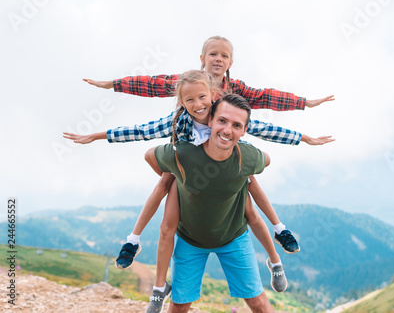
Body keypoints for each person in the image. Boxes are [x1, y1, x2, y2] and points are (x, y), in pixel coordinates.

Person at [64, 70, 334, 312]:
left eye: (203, 98)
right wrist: (103, 119)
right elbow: (143, 117)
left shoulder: (228, 113)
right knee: (165, 213)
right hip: (185, 175)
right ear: (182, 100)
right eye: (190, 100)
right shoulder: (179, 125)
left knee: (249, 195)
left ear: (213, 94)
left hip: (231, 187)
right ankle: (136, 246)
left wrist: (303, 134)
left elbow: (265, 120)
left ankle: (278, 238)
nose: (198, 105)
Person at [82, 35, 334, 261]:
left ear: (230, 63)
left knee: (249, 182)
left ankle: (280, 230)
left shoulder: (232, 96)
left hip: (223, 149)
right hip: (189, 154)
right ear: (202, 59)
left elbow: (264, 106)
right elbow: (150, 88)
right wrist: (112, 88)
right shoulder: (186, 89)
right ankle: (133, 241)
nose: (218, 59)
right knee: (164, 189)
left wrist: (304, 117)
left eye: (224, 55)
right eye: (213, 53)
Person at [155, 93, 277, 312]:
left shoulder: (248, 157)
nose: (228, 130)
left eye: (236, 125)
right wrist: (179, 179)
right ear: (210, 120)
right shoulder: (184, 154)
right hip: (190, 240)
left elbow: (266, 160)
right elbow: (150, 156)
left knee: (258, 302)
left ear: (244, 131)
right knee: (180, 305)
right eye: (222, 121)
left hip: (233, 237)